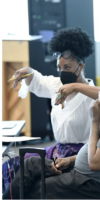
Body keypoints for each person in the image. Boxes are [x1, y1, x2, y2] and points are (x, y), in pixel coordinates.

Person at [3, 57, 100, 199]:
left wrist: (95, 121)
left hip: (93, 183)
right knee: (31, 164)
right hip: (84, 175)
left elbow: (95, 163)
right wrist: (71, 160)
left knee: (31, 188)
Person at [11, 27, 95, 159]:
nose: (63, 72)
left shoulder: (92, 95)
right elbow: (38, 81)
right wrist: (28, 71)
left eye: (67, 67)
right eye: (59, 68)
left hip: (80, 157)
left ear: (81, 66)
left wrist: (75, 86)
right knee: (15, 164)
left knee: (29, 170)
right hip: (58, 151)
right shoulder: (57, 85)